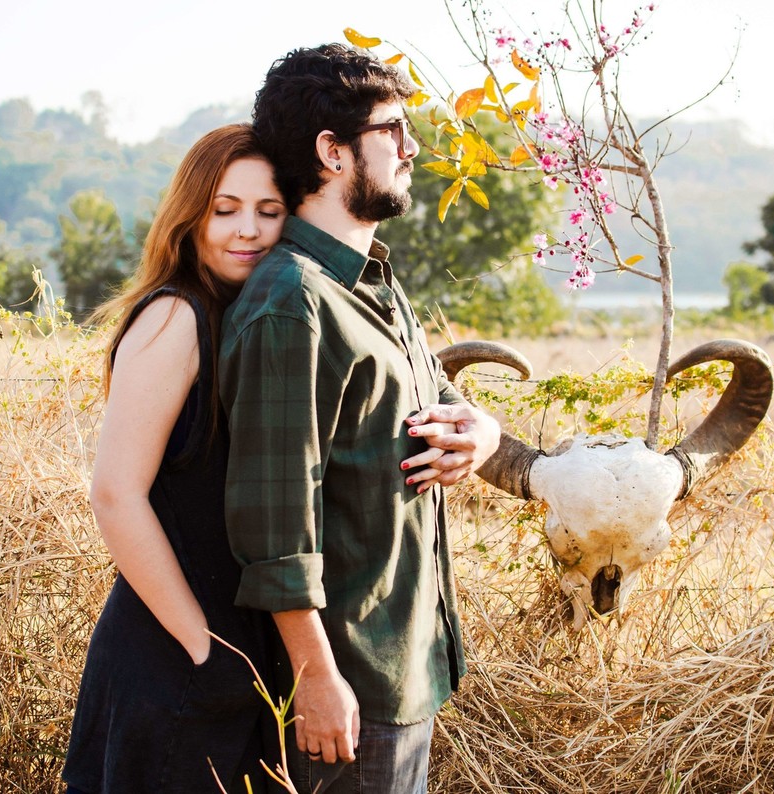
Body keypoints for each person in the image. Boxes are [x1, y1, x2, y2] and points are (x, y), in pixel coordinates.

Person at [219, 45, 501, 793]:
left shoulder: (370, 278)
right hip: (348, 690)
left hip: (403, 663)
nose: (412, 149)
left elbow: (441, 395)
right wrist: (316, 678)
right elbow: (275, 528)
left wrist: (482, 432)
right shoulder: (293, 304)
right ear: (332, 152)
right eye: (394, 130)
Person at [62, 123, 287, 793]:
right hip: (176, 660)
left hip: (235, 662)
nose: (247, 230)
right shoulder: (176, 317)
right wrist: (204, 649)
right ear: (190, 218)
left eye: (269, 211)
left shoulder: (243, 319)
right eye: (225, 209)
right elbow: (115, 494)